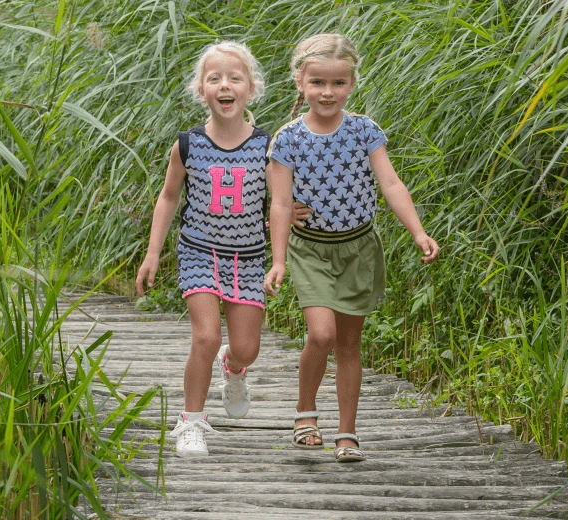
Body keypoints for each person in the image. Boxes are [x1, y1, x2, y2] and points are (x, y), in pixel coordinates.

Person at [264, 33, 439, 462]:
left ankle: (347, 432)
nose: (328, 92)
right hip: (311, 251)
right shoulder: (287, 139)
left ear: (352, 83)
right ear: (300, 83)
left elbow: (391, 184)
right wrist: (280, 260)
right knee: (320, 333)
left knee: (349, 345)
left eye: (338, 83)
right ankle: (305, 411)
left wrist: (418, 231)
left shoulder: (365, 131)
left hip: (358, 248)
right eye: (318, 83)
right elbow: (282, 202)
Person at [136, 41, 292, 457]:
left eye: (234, 78)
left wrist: (279, 259)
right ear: (201, 91)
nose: (225, 85)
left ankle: (233, 367)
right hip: (199, 252)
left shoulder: (266, 147)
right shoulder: (187, 145)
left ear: (250, 90)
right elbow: (168, 198)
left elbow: (279, 204)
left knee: (247, 348)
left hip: (248, 256)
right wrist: (153, 252)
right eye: (215, 78)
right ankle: (191, 422)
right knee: (205, 336)